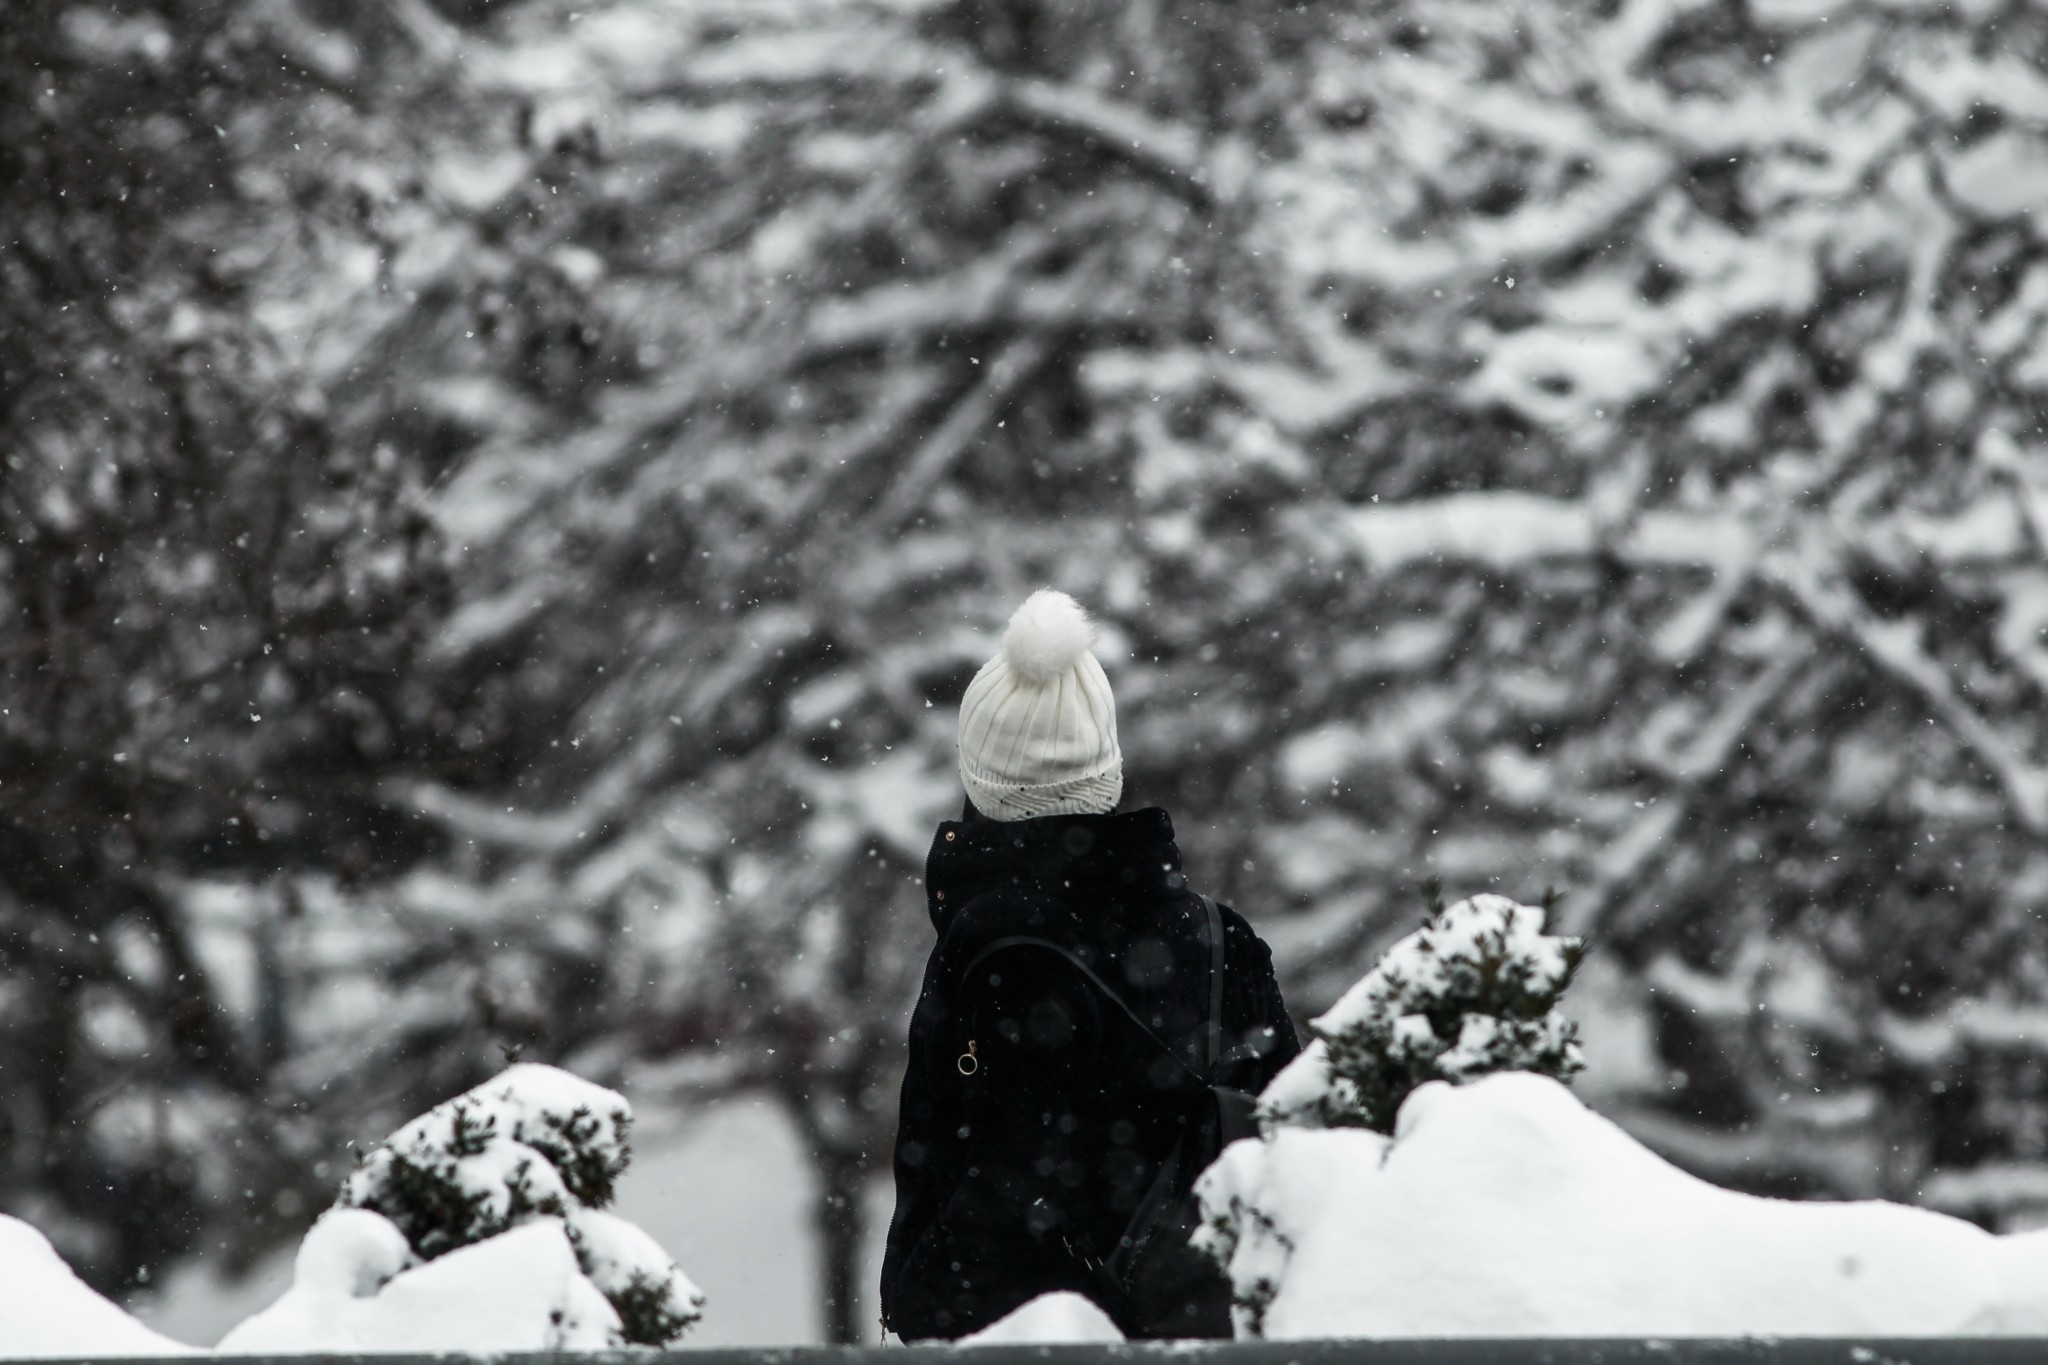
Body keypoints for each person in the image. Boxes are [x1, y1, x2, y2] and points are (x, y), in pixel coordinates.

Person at [879, 590, 1299, 1341]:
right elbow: (1292, 1146)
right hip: (1203, 1335)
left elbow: (1003, 1194)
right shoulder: (1218, 936)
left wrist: (920, 1297)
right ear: (1107, 765)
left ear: (980, 774)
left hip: (1035, 1340)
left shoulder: (996, 948)